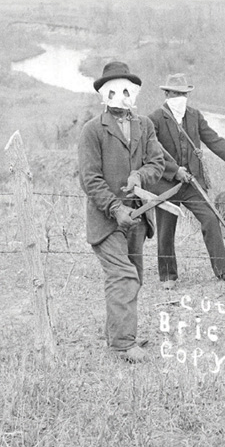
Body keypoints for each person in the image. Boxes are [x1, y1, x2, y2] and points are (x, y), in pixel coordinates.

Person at [78, 60, 167, 364]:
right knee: (123, 277)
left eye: (127, 89)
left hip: (138, 216)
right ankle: (122, 344)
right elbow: (89, 179)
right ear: (104, 94)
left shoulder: (145, 126)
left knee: (135, 277)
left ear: (135, 93)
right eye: (114, 90)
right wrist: (115, 208)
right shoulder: (92, 130)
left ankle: (120, 333)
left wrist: (139, 177)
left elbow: (157, 163)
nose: (122, 95)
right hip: (107, 220)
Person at [146, 73, 225, 287]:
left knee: (210, 218)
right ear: (166, 94)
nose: (180, 97)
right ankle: (168, 276)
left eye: (183, 94)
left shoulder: (194, 116)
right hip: (166, 184)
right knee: (166, 228)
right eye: (175, 93)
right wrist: (174, 170)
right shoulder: (154, 119)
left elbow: (216, 143)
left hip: (192, 183)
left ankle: (223, 271)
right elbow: (151, 152)